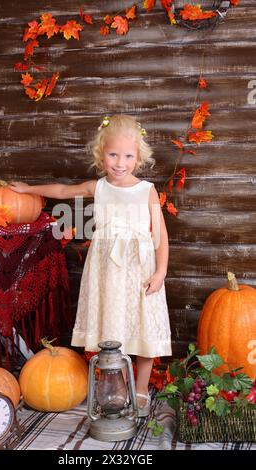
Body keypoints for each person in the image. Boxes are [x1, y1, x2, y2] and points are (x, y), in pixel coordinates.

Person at [9, 114, 172, 417]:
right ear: (101, 154)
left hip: (139, 269)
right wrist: (28, 190)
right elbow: (62, 191)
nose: (120, 163)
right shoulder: (98, 187)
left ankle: (140, 388)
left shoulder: (145, 190)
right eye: (113, 155)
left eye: (128, 156)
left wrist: (160, 272)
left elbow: (160, 234)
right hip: (107, 272)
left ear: (138, 156)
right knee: (114, 330)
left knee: (144, 327)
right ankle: (118, 387)